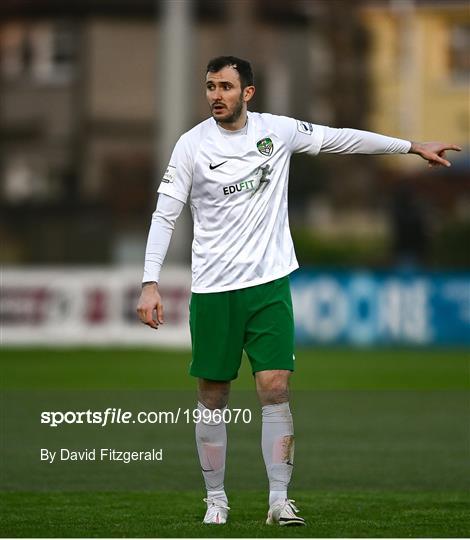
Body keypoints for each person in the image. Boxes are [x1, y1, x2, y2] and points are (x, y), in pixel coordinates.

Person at [136, 55, 460, 526]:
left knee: (276, 389)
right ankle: (216, 500)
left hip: (269, 285)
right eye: (210, 87)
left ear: (248, 92)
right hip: (214, 290)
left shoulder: (278, 131)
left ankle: (278, 500)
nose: (215, 96)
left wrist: (411, 146)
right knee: (212, 396)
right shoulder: (191, 146)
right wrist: (149, 282)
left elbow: (341, 139)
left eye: (225, 87)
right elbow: (164, 215)